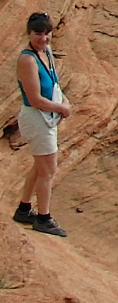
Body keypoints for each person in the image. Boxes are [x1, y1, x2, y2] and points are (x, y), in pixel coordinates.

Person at [13, 12, 71, 237]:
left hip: (45, 117)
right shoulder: (27, 59)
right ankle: (44, 218)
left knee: (40, 167)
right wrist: (62, 108)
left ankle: (24, 209)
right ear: (29, 33)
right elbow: (35, 98)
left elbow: (54, 84)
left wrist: (64, 101)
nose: (44, 38)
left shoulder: (45, 53)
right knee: (48, 171)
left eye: (47, 33)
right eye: (38, 33)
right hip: (36, 118)